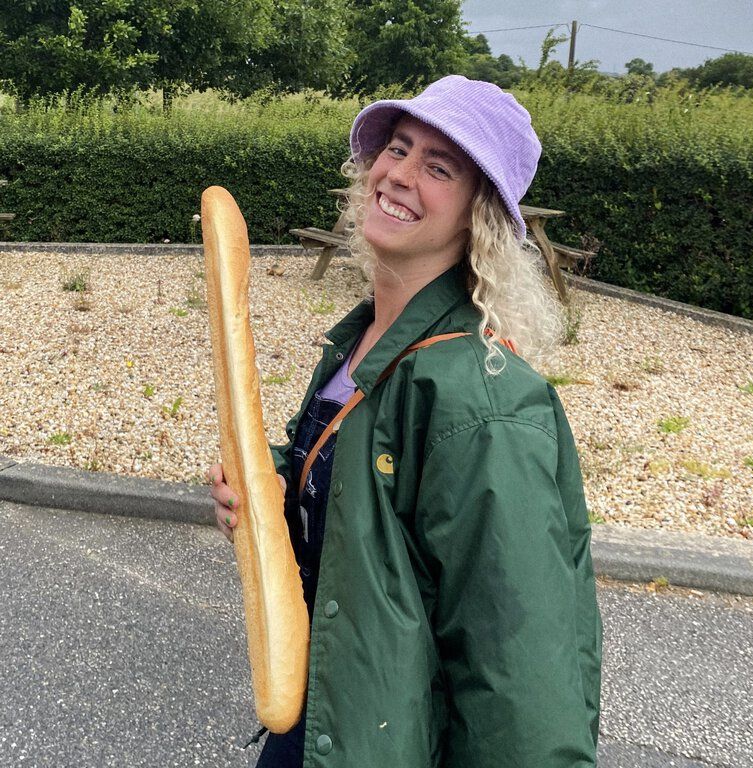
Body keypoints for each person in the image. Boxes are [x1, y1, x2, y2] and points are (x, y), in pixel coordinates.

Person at [209, 75, 602, 768]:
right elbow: (364, 493)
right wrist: (270, 482)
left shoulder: (485, 404)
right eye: (398, 147)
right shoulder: (359, 342)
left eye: (438, 166)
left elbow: (523, 675)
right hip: (329, 716)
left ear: (476, 214)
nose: (398, 174)